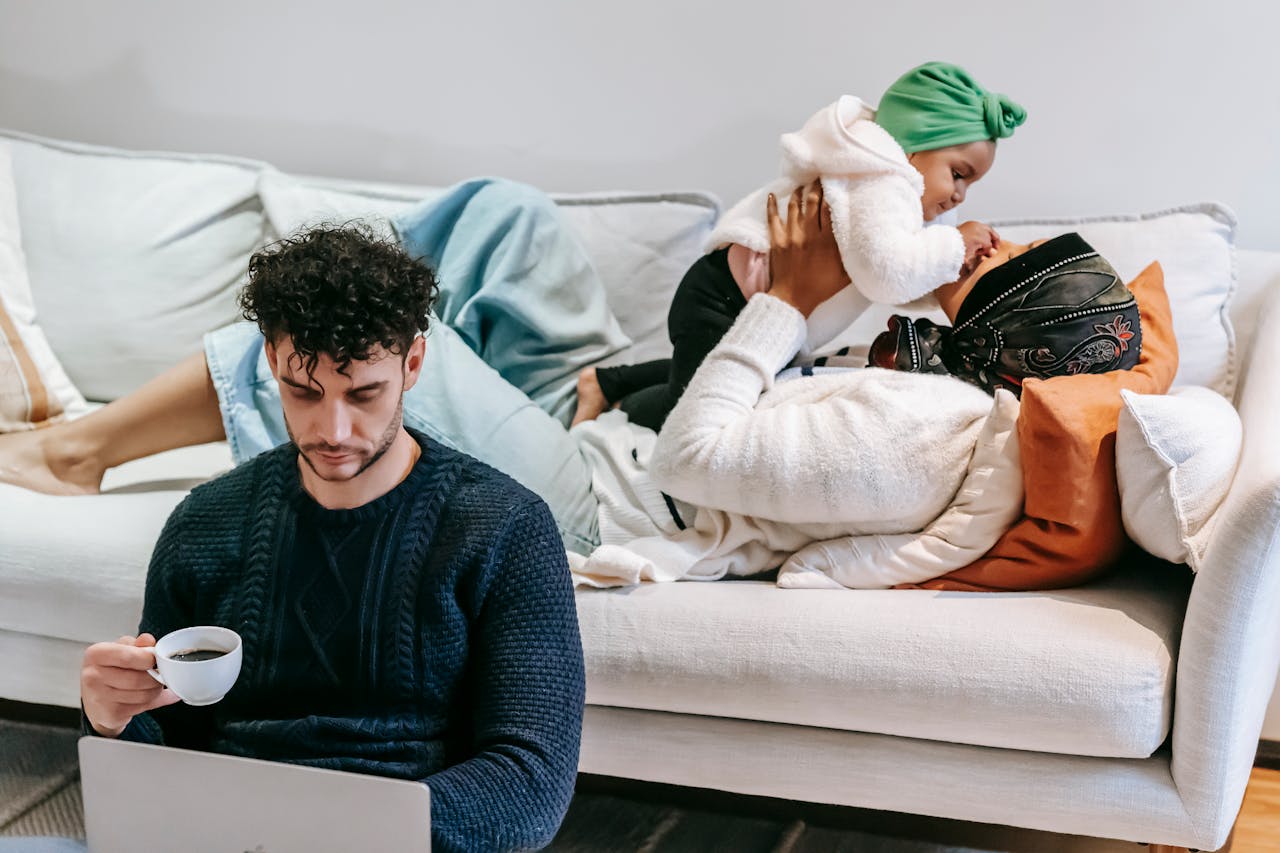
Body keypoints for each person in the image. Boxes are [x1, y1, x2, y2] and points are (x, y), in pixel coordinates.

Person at [0, 179, 1138, 582]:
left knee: (335, 351)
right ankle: (400, 322)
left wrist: (782, 297)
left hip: (591, 506)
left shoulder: (926, 436)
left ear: (1008, 325)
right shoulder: (925, 374)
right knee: (504, 213)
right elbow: (733, 391)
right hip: (598, 433)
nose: (978, 231)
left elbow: (706, 460)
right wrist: (625, 379)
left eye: (995, 259)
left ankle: (73, 448)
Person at [3, 214, 587, 853]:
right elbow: (170, 741)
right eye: (303, 391)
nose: (332, 429)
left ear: (413, 362)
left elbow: (529, 782)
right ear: (270, 360)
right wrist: (110, 719)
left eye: (363, 393)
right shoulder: (205, 523)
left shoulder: (506, 529)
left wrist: (333, 831)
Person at [573, 61, 1028, 431]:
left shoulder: (895, 186)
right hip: (724, 300)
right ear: (916, 146)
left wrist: (951, 265)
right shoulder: (881, 178)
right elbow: (885, 273)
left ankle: (609, 382)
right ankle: (622, 416)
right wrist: (952, 246)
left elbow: (893, 275)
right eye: (959, 174)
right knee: (694, 410)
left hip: (760, 308)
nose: (959, 196)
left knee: (728, 376)